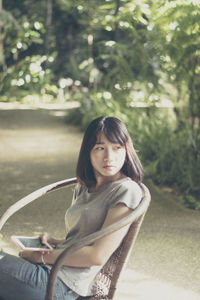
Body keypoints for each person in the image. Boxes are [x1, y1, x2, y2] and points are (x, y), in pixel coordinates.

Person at [0, 116, 144, 300]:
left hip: (62, 285)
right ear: (88, 152)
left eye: (117, 148)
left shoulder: (126, 190)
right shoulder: (86, 186)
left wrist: (42, 257)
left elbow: (96, 255)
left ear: (126, 150)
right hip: (51, 272)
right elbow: (83, 238)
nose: (109, 157)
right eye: (100, 148)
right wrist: (56, 242)